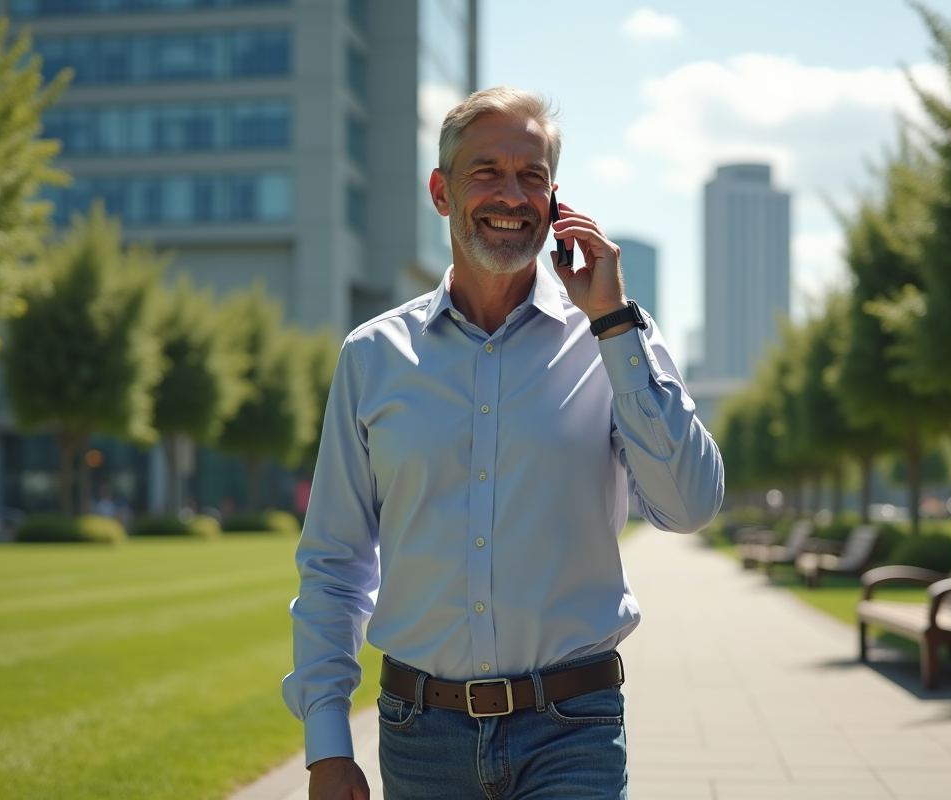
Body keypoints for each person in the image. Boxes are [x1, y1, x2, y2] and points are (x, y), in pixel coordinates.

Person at [283, 87, 724, 799]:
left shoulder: (616, 341)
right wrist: (326, 744)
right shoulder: (372, 357)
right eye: (486, 171)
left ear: (556, 202)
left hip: (572, 730)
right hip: (419, 737)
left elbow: (691, 507)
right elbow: (334, 562)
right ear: (441, 191)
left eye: (533, 176)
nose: (511, 194)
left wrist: (613, 323)